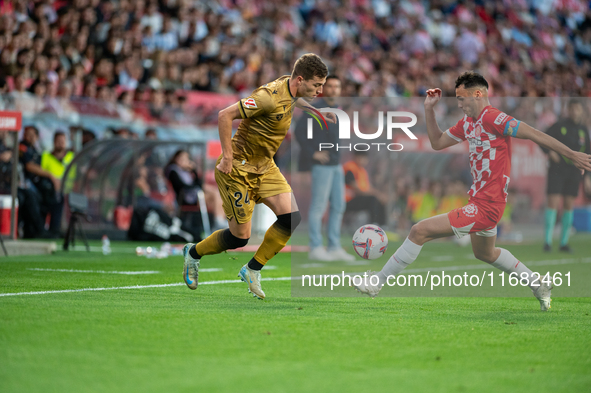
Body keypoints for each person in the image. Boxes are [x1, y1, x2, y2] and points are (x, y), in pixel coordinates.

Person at [354, 71, 591, 311]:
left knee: (419, 230)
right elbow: (437, 143)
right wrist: (429, 110)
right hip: (480, 201)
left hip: (487, 206)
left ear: (478, 94)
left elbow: (535, 134)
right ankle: (538, 284)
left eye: (461, 98)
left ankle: (377, 282)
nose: (458, 104)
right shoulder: (468, 123)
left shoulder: (495, 118)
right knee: (485, 253)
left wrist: (572, 155)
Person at [182, 53, 335, 299]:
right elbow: (224, 115)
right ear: (300, 79)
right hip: (238, 169)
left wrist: (317, 112)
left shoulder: (291, 87)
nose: (320, 90)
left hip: (265, 166)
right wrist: (228, 157)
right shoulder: (266, 99)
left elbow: (295, 99)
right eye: (317, 85)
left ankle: (252, 269)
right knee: (239, 237)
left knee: (291, 219)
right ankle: (193, 253)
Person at [294, 75, 355, 262]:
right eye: (331, 86)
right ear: (323, 88)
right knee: (318, 206)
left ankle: (334, 246)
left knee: (338, 205)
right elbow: (299, 131)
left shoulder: (337, 109)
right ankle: (315, 246)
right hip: (322, 165)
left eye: (337, 86)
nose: (334, 89)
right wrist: (313, 153)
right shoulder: (315, 108)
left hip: (336, 165)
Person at [542, 99, 590, 253]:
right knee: (553, 202)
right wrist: (549, 152)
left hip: (574, 172)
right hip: (557, 170)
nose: (574, 111)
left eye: (577, 109)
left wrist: (588, 176)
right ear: (568, 110)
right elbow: (541, 139)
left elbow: (588, 154)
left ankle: (564, 242)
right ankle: (547, 241)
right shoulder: (559, 125)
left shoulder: (583, 130)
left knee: (569, 205)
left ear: (581, 111)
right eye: (572, 108)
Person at [19, 125, 63, 237]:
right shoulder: (22, 147)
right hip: (24, 184)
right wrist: (50, 175)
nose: (27, 137)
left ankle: (53, 229)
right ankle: (40, 230)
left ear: (37, 137)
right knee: (33, 198)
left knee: (53, 199)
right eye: (26, 134)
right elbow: (29, 166)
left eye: (31, 135)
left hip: (35, 184)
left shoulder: (35, 150)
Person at [40, 131, 75, 234]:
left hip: (66, 191)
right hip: (49, 190)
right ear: (54, 142)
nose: (60, 143)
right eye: (58, 141)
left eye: (62, 141)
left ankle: (57, 230)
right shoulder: (46, 156)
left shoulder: (71, 157)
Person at [343, 151, 387, 226]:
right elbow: (357, 188)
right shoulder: (350, 168)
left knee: (380, 200)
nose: (364, 160)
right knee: (373, 199)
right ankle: (374, 225)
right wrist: (376, 194)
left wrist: (380, 195)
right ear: (356, 157)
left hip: (357, 199)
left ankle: (383, 226)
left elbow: (368, 187)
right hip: (347, 200)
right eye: (362, 158)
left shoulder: (362, 171)